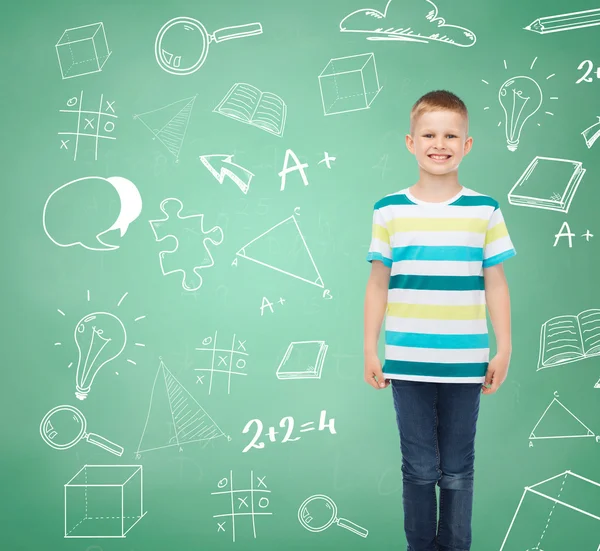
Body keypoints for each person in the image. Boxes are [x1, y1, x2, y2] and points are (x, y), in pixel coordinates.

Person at [363, 90, 516, 551]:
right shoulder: (388, 209)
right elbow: (377, 283)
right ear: (411, 141)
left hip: (465, 361)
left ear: (467, 145)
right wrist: (370, 348)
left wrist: (504, 347)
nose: (440, 143)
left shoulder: (484, 210)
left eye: (451, 135)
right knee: (419, 468)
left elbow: (497, 283)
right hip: (406, 361)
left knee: (457, 467)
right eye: (429, 134)